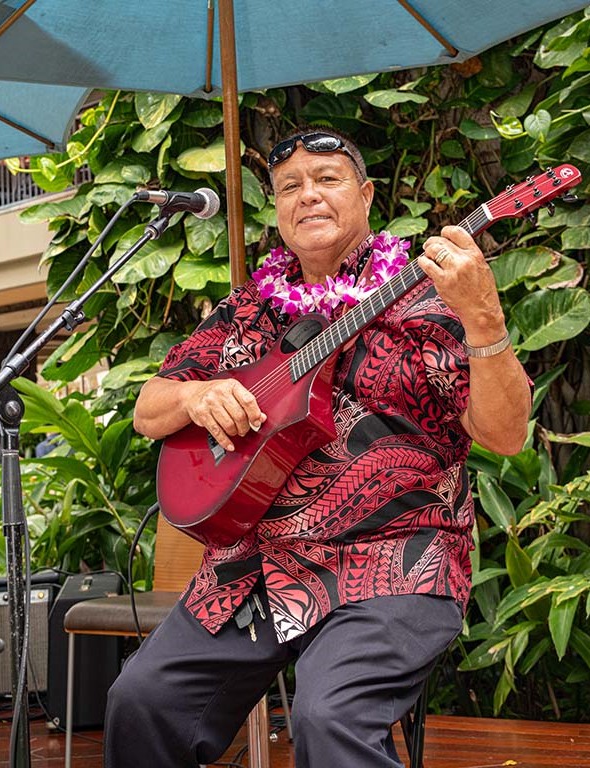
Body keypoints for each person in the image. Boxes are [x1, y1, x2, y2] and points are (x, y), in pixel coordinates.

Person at [107, 127, 532, 767]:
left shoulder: (431, 302)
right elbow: (148, 408)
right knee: (142, 701)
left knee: (328, 715)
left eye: (327, 179)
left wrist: (485, 318)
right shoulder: (248, 311)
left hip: (393, 563)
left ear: (366, 195)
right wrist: (196, 396)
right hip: (255, 564)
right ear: (277, 209)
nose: (307, 195)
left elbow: (505, 434)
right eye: (289, 187)